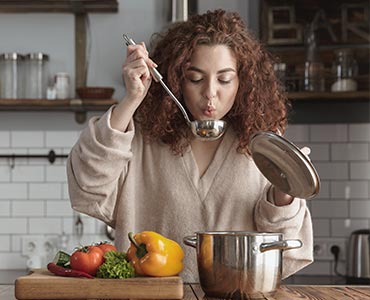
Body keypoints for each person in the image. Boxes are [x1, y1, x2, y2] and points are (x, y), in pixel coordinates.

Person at [67, 9, 313, 282]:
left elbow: (285, 244)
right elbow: (88, 187)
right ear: (176, 80)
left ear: (243, 82)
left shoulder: (264, 145)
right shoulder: (141, 139)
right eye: (195, 78)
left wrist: (285, 190)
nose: (210, 92)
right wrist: (132, 99)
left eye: (224, 79)